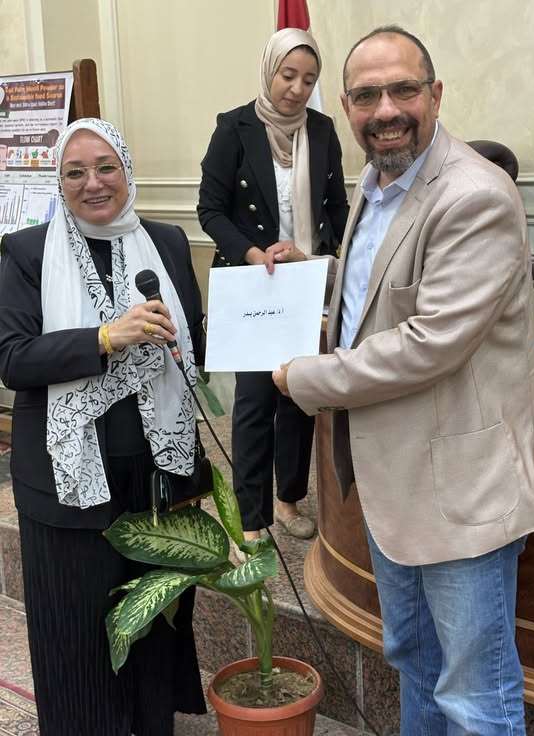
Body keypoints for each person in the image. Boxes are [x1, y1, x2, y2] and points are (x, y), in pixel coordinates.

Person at [273, 25, 534, 735]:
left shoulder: (473, 194)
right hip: (394, 482)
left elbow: (429, 344)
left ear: (436, 94)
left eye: (403, 90)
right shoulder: (376, 182)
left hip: (463, 490)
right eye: (367, 96)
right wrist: (315, 275)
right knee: (417, 665)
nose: (386, 110)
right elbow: (381, 289)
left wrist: (306, 377)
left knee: (475, 696)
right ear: (345, 106)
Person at [0, 118, 206, 736]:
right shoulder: (26, 252)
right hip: (69, 481)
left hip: (157, 472)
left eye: (106, 166)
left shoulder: (167, 242)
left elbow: (194, 340)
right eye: (75, 172)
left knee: (152, 625)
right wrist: (103, 337)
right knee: (78, 630)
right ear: (59, 184)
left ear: (127, 170)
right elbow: (11, 358)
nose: (93, 183)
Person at [198, 28, 349, 545]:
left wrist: (333, 260)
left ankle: (288, 500)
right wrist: (253, 253)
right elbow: (210, 210)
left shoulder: (323, 130)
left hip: (304, 281)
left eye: (309, 79)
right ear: (269, 71)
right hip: (253, 282)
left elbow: (336, 207)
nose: (297, 89)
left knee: (299, 395)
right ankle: (252, 518)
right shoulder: (234, 127)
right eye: (289, 75)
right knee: (256, 401)